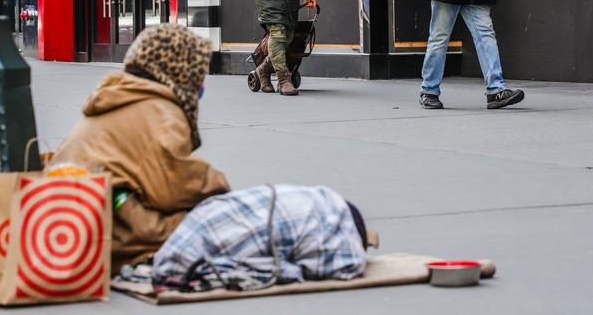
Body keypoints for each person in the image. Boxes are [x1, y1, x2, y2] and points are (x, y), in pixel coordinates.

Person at [47, 24, 230, 273]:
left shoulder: (118, 94)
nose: (201, 86)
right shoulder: (163, 113)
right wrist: (217, 184)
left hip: (62, 219)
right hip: (111, 226)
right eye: (198, 75)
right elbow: (171, 186)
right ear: (181, 70)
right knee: (220, 224)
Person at [151, 184, 378, 291]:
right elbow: (315, 268)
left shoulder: (320, 198)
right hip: (185, 252)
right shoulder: (339, 246)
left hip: (191, 230)